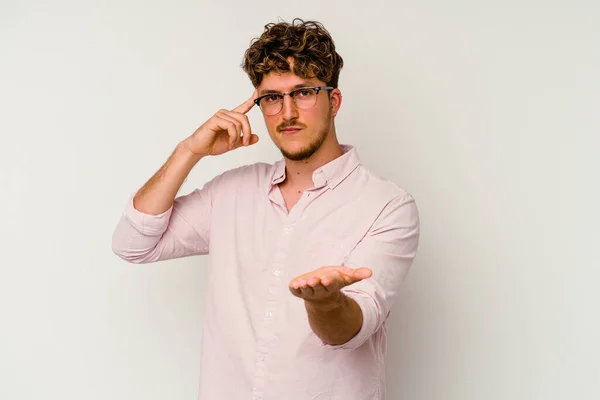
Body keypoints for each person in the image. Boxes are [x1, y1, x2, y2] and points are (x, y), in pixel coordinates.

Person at [112, 18, 420, 400]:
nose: (287, 112)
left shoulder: (387, 206)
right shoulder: (232, 191)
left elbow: (351, 330)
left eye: (303, 92)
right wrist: (189, 151)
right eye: (272, 98)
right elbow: (132, 244)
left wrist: (325, 302)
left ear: (334, 101)